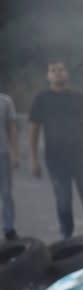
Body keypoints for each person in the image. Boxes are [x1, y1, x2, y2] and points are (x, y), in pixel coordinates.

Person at [29, 60, 83, 240]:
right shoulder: (42, 99)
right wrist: (34, 160)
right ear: (48, 76)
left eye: (61, 69)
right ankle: (67, 238)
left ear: (66, 73)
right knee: (63, 202)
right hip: (56, 161)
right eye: (53, 70)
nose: (58, 73)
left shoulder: (80, 98)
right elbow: (34, 131)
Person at [0, 91, 20, 240]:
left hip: (3, 153)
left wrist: (15, 153)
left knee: (6, 193)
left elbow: (12, 128)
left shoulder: (5, 101)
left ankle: (9, 228)